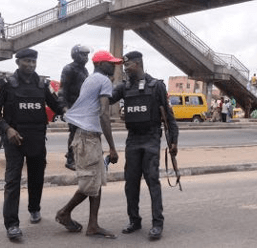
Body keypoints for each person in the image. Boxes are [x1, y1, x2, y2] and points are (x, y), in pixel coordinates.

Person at [0, 48, 66, 240]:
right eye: (27, 61)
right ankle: (12, 225)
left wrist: (73, 109)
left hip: (37, 137)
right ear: (18, 62)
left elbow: (57, 107)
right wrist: (7, 129)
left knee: (36, 177)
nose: (31, 65)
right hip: (14, 139)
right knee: (13, 181)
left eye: (33, 61)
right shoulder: (6, 84)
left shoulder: (42, 85)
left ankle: (34, 209)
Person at [110, 51, 179, 240]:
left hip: (151, 138)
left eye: (128, 65)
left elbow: (170, 117)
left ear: (138, 63)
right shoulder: (124, 87)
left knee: (152, 182)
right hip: (133, 139)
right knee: (130, 183)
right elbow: (107, 97)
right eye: (124, 66)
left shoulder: (156, 86)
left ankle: (157, 223)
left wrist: (174, 141)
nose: (125, 68)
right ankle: (134, 220)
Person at [55, 50, 120, 239]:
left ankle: (93, 225)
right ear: (99, 64)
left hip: (88, 136)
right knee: (89, 184)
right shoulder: (103, 80)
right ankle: (64, 213)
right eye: (110, 63)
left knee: (96, 182)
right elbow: (104, 114)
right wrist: (113, 147)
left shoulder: (91, 79)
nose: (115, 66)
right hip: (87, 138)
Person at [58, 44, 90, 171]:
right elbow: (62, 89)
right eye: (83, 54)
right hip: (72, 107)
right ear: (75, 54)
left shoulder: (84, 70)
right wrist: (64, 108)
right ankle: (70, 160)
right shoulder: (69, 69)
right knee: (74, 134)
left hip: (82, 107)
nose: (86, 57)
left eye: (87, 55)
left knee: (81, 134)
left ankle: (73, 154)